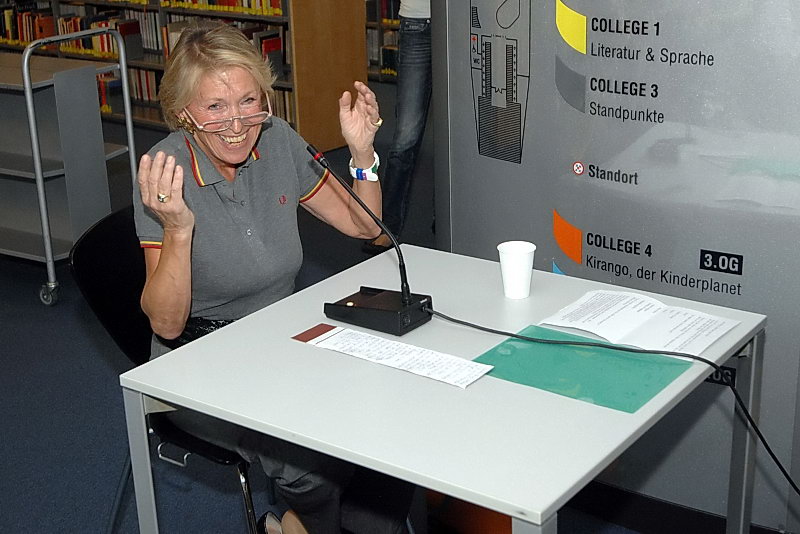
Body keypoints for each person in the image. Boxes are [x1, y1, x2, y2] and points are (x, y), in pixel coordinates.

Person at [133, 20, 409, 534]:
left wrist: (362, 154)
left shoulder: (277, 139)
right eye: (215, 107)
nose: (237, 123)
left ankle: (303, 525)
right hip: (200, 360)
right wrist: (177, 229)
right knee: (307, 464)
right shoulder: (164, 171)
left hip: (281, 339)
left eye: (248, 101)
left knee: (392, 409)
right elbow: (167, 325)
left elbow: (366, 228)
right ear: (183, 111)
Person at [365, 0, 432, 253]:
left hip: (460, 21)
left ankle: (449, 215)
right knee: (406, 135)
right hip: (417, 21)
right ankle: (388, 227)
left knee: (457, 132)